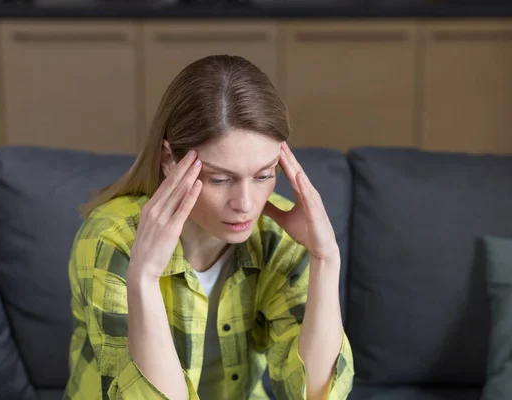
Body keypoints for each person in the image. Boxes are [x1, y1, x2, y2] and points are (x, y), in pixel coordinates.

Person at [62, 55, 354, 400]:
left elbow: (315, 394)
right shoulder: (111, 238)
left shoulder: (281, 235)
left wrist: (326, 258)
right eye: (219, 178)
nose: (246, 203)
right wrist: (143, 279)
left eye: (264, 175)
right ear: (170, 159)